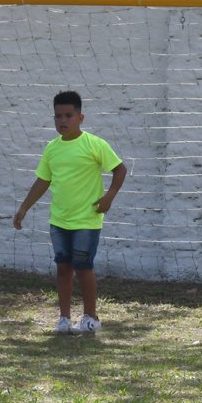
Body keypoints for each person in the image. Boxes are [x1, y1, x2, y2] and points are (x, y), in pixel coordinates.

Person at [13, 90, 127, 334]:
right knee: (63, 267)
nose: (62, 121)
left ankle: (91, 317)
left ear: (80, 118)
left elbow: (120, 170)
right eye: (58, 116)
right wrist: (24, 208)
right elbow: (43, 180)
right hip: (59, 220)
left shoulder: (94, 144)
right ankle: (64, 318)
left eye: (68, 115)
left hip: (87, 220)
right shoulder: (52, 149)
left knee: (83, 267)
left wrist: (109, 197)